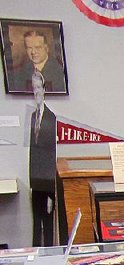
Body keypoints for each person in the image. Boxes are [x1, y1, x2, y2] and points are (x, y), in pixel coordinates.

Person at [28, 71, 58, 246]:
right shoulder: (32, 117)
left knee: (47, 226)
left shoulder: (51, 118)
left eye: (38, 88)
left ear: (44, 89)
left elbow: (49, 156)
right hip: (35, 183)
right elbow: (34, 153)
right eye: (33, 89)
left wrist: (50, 194)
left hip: (46, 185)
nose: (36, 92)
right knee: (36, 226)